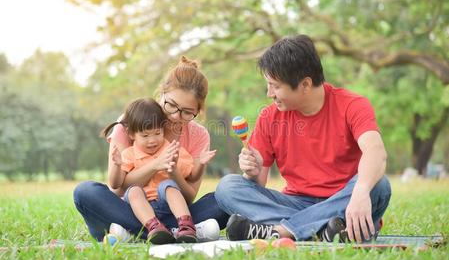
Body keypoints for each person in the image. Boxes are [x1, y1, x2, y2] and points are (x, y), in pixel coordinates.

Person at [215, 35, 391, 243]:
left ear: (305, 84)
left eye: (275, 86)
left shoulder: (353, 105)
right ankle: (324, 230)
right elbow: (257, 184)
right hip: (295, 203)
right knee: (228, 188)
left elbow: (376, 152)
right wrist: (251, 173)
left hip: (345, 199)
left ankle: (280, 231)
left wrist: (361, 192)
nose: (269, 93)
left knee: (379, 186)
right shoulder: (269, 116)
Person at [74, 56, 229, 241]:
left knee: (225, 198)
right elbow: (118, 190)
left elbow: (188, 198)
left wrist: (174, 175)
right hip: (129, 209)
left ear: (199, 110)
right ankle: (173, 231)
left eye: (187, 112)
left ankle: (136, 233)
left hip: (175, 211)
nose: (174, 116)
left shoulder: (199, 135)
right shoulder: (132, 120)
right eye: (170, 104)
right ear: (161, 94)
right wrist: (156, 165)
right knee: (85, 192)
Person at [102, 98, 215, 244]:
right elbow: (115, 184)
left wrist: (200, 163)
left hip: (168, 207)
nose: (152, 140)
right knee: (133, 191)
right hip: (139, 210)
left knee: (168, 185)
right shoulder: (129, 154)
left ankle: (186, 226)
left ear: (164, 129)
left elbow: (192, 175)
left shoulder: (172, 150)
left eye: (157, 133)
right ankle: (155, 228)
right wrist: (117, 165)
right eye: (145, 136)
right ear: (131, 135)